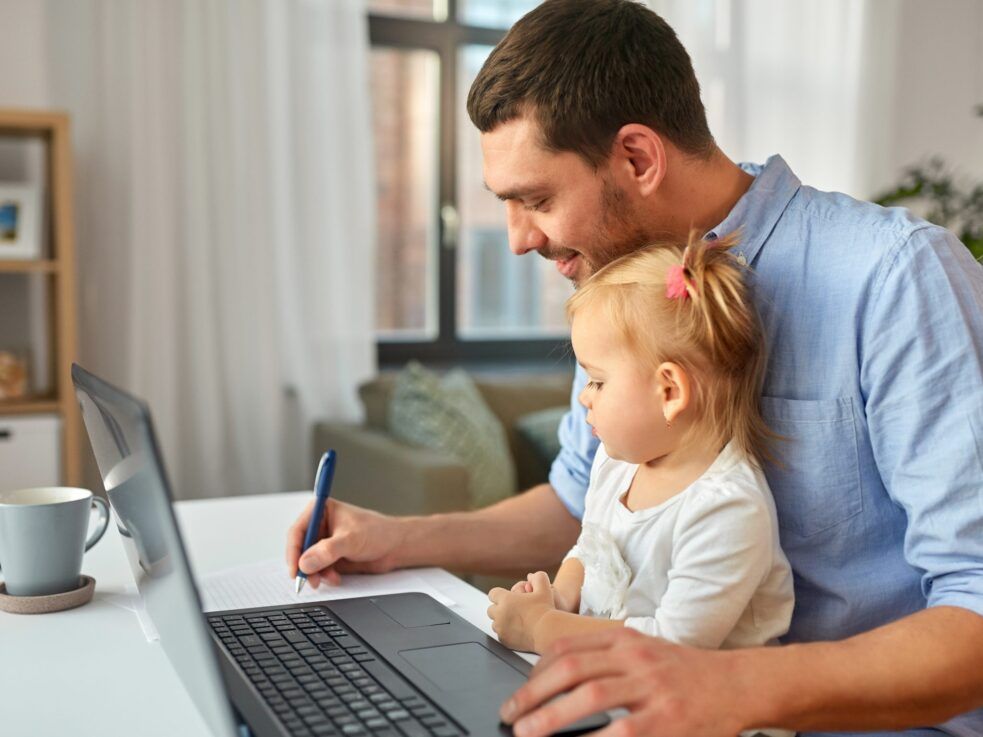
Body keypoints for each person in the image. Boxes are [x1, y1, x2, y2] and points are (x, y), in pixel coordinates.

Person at [286, 1, 983, 734]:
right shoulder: (623, 290)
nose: (519, 239)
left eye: (537, 198)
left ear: (637, 158)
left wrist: (724, 684)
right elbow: (580, 502)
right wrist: (395, 540)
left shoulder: (893, 277)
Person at [486, 238, 794, 669]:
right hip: (618, 687)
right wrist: (557, 599)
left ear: (669, 391)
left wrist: (543, 630)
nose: (584, 400)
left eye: (596, 381)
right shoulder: (615, 464)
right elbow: (589, 549)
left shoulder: (727, 508)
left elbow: (674, 646)